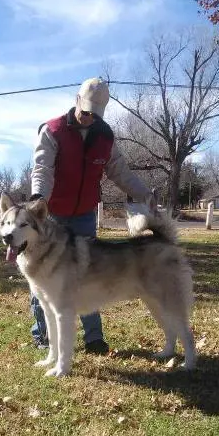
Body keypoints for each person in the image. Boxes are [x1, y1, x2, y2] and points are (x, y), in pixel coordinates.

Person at [28, 77, 152, 354]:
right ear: (76, 101)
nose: (88, 119)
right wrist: (38, 200)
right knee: (43, 274)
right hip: (52, 216)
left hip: (84, 215)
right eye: (85, 113)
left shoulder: (105, 136)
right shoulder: (53, 130)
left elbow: (120, 171)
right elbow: (42, 169)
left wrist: (145, 194)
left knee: (88, 275)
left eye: (94, 116)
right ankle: (43, 336)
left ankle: (94, 338)